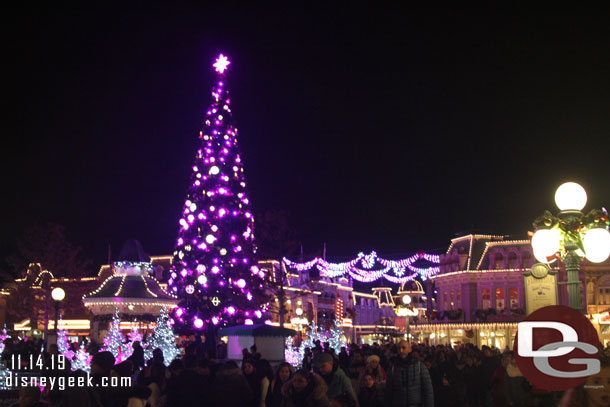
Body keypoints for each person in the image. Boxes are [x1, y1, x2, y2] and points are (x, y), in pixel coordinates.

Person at [385, 340, 433, 407]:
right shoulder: (393, 368)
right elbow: (388, 392)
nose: (401, 351)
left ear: (410, 349)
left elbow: (428, 390)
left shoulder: (419, 366)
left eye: (403, 348)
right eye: (399, 348)